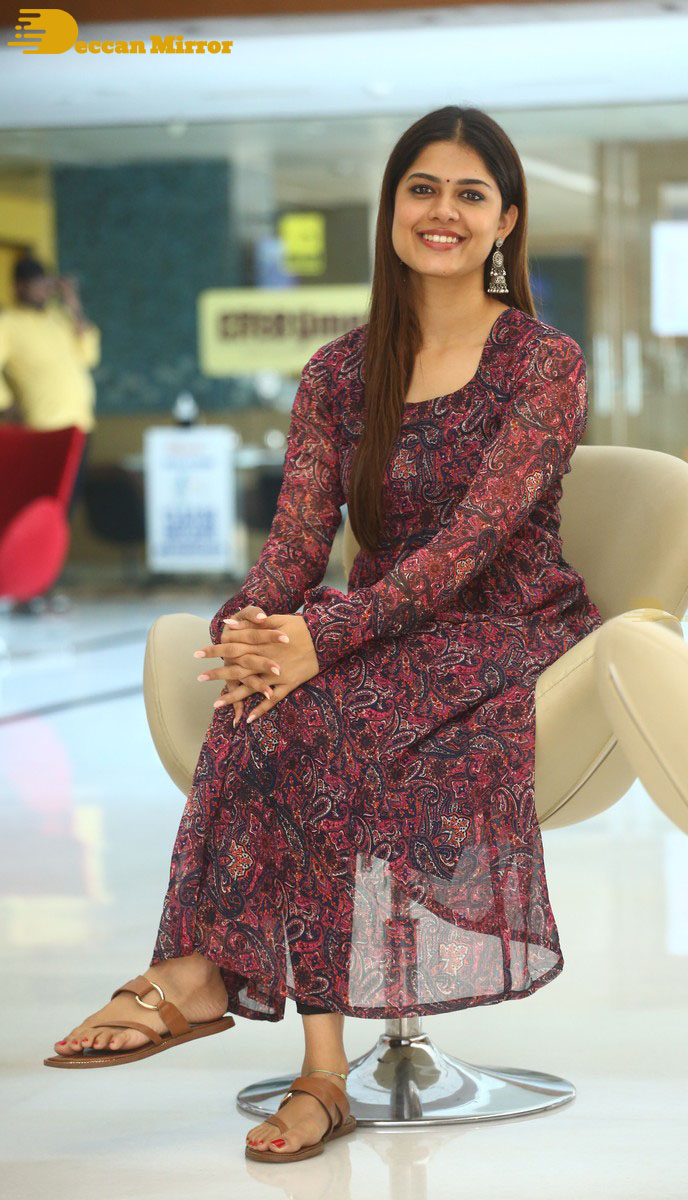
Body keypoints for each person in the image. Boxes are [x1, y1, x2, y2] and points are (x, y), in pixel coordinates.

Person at [44, 106, 605, 1162]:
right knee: (262, 700)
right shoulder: (338, 374)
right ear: (391, 209)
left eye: (470, 194)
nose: (442, 211)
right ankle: (288, 1043)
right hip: (381, 629)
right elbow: (295, 545)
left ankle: (248, 1017)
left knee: (317, 711)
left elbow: (470, 549)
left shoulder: (542, 361)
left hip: (506, 627)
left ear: (506, 221)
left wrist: (321, 640)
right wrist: (254, 629)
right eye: (421, 189)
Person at [0, 255, 101, 611]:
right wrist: (5, 404)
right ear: (19, 286)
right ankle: (29, 590)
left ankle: (41, 586)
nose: (43, 289)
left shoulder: (59, 319)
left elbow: (89, 354)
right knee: (45, 510)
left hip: (80, 425)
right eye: (36, 283)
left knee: (63, 513)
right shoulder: (9, 323)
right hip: (47, 431)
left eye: (47, 283)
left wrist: (73, 304)